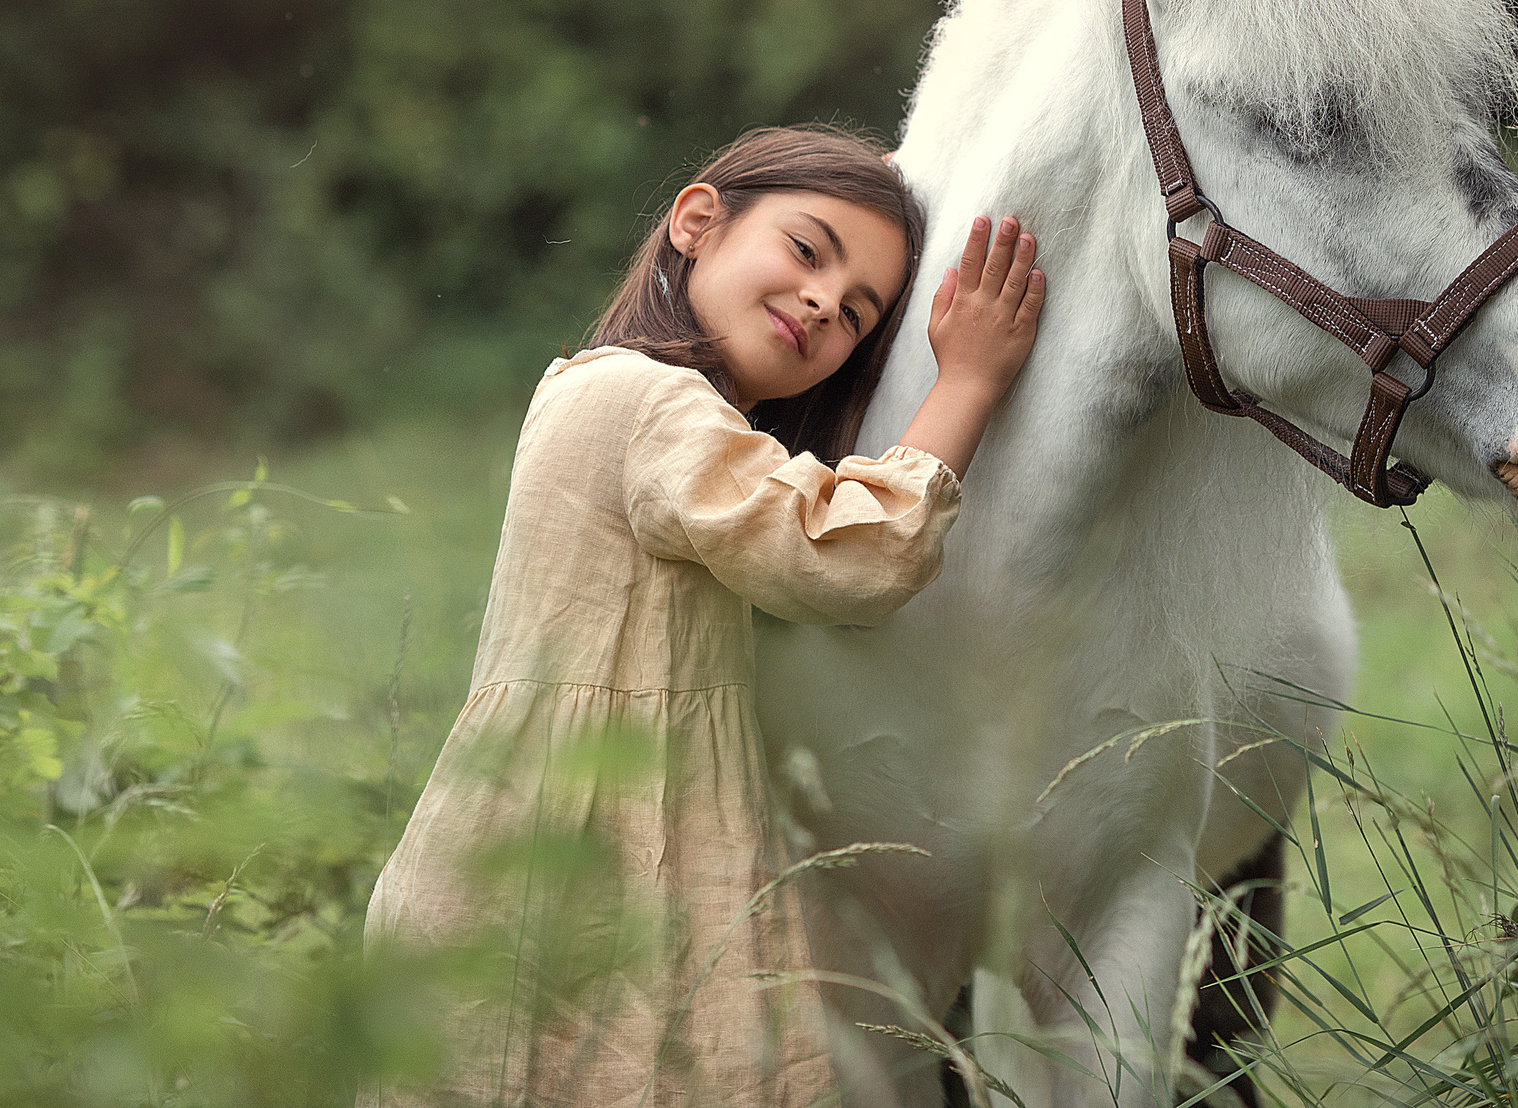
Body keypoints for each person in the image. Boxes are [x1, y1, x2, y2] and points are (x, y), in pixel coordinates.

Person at [365, 125, 1045, 1107]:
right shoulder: (645, 405)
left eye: (857, 312)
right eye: (809, 251)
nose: (822, 301)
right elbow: (847, 553)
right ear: (697, 222)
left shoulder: (616, 396)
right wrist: (969, 381)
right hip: (574, 864)